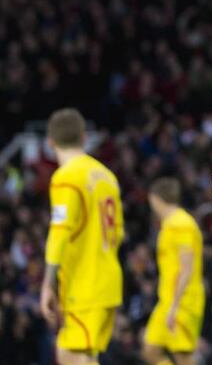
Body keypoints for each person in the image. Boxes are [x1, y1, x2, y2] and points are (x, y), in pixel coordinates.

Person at [40, 108, 125, 365]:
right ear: (84, 137)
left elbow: (59, 232)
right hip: (108, 281)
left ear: (50, 142)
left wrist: (47, 284)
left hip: (85, 284)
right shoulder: (107, 176)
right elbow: (119, 232)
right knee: (84, 356)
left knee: (69, 355)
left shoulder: (66, 177)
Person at [143, 177, 205, 365]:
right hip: (168, 300)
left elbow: (187, 268)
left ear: (155, 198)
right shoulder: (171, 224)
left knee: (182, 356)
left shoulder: (181, 224)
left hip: (183, 300)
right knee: (150, 350)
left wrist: (175, 305)